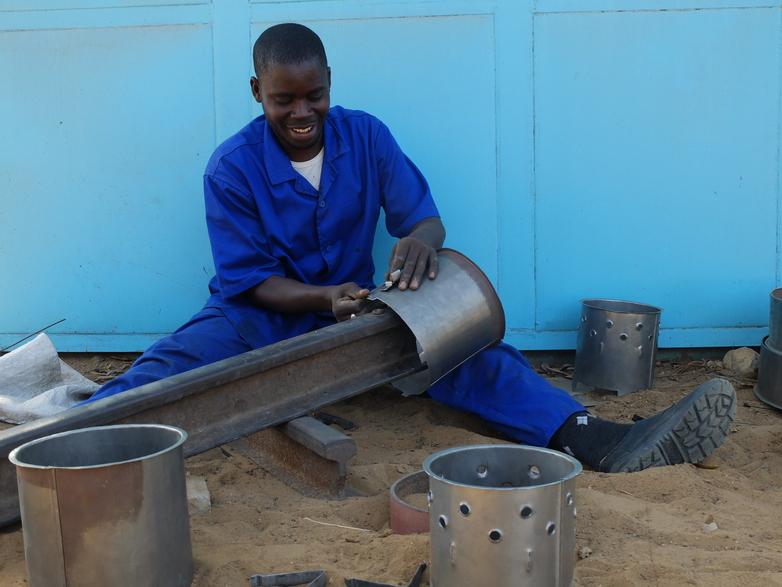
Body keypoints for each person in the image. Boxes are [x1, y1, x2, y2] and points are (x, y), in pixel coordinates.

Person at [89, 23, 736, 473]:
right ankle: (63, 438)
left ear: (330, 83)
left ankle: (596, 438)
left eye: (314, 94)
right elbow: (251, 279)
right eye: (283, 98)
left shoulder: (366, 136)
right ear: (257, 92)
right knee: (167, 368)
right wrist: (321, 297)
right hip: (258, 315)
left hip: (364, 314)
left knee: (473, 353)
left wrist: (418, 248)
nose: (301, 111)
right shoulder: (229, 167)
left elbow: (424, 220)